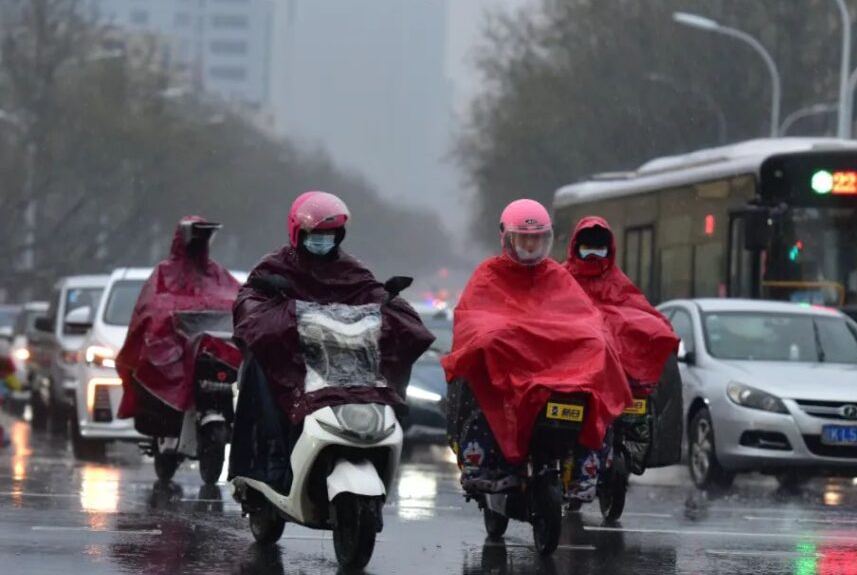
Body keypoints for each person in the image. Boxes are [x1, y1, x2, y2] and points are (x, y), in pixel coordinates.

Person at [229, 191, 434, 486]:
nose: (323, 240)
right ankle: (272, 457)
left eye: (330, 234)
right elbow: (249, 304)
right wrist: (276, 314)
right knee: (261, 365)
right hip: (293, 365)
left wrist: (390, 307)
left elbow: (371, 293)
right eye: (316, 234)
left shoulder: (351, 270)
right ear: (298, 232)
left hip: (340, 365)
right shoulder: (274, 267)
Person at [442, 199, 632, 500]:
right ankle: (485, 461)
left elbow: (583, 316)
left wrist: (594, 338)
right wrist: (502, 335)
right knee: (486, 349)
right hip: (509, 375)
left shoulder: (557, 275)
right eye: (524, 238)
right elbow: (473, 320)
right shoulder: (489, 274)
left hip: (558, 375)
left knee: (600, 346)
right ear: (507, 238)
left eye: (537, 238)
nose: (530, 245)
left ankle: (586, 466)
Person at [564, 217, 679, 471]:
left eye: (599, 250)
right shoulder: (562, 279)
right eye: (587, 249)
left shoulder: (618, 282)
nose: (593, 256)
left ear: (609, 250)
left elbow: (639, 311)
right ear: (575, 248)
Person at [116, 216, 240, 436]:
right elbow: (153, 306)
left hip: (206, 351)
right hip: (174, 347)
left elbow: (235, 296)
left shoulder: (214, 272)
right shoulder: (164, 271)